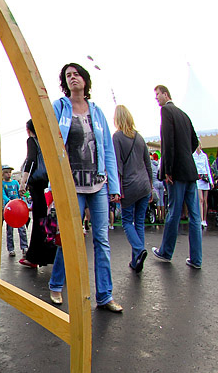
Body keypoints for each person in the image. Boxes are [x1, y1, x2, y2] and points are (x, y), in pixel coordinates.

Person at [48, 63, 122, 312]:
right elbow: (50, 140)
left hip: (98, 184)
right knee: (69, 238)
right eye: (68, 76)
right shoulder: (60, 107)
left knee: (102, 240)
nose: (72, 78)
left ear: (85, 80)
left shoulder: (98, 111)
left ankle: (105, 296)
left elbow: (108, 150)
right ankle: (56, 284)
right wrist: (55, 182)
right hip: (71, 185)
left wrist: (113, 184)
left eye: (76, 74)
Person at [151, 85, 202, 268]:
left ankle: (166, 251)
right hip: (190, 171)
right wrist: (185, 154)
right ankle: (196, 259)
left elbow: (168, 142)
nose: (157, 99)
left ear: (166, 94)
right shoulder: (184, 114)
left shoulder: (167, 111)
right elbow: (195, 141)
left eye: (158, 95)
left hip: (177, 173)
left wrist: (167, 170)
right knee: (195, 216)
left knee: (173, 212)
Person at [112, 105, 153, 272]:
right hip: (144, 185)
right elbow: (148, 164)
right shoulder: (140, 137)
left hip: (129, 186)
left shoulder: (117, 137)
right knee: (140, 223)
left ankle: (139, 250)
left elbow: (118, 165)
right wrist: (150, 186)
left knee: (127, 221)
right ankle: (136, 261)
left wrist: (117, 189)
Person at [18, 120, 57, 268]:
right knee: (45, 219)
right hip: (46, 183)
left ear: (29, 130)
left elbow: (31, 160)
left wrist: (23, 182)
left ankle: (34, 257)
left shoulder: (32, 140)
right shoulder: (46, 142)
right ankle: (44, 254)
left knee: (39, 220)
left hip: (36, 183)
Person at [2, 164, 28, 258]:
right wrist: (10, 202)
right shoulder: (2, 184)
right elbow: (3, 195)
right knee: (9, 230)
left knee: (22, 229)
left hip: (19, 209)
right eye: (6, 172)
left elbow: (20, 193)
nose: (8, 174)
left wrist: (25, 201)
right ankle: (11, 249)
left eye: (9, 172)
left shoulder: (15, 183)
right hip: (9, 210)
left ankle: (24, 247)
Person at [193, 143, 213, 228]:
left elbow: (207, 167)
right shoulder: (193, 155)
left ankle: (204, 219)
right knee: (200, 200)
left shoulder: (204, 156)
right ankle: (201, 220)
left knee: (205, 200)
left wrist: (211, 180)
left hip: (205, 178)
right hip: (198, 179)